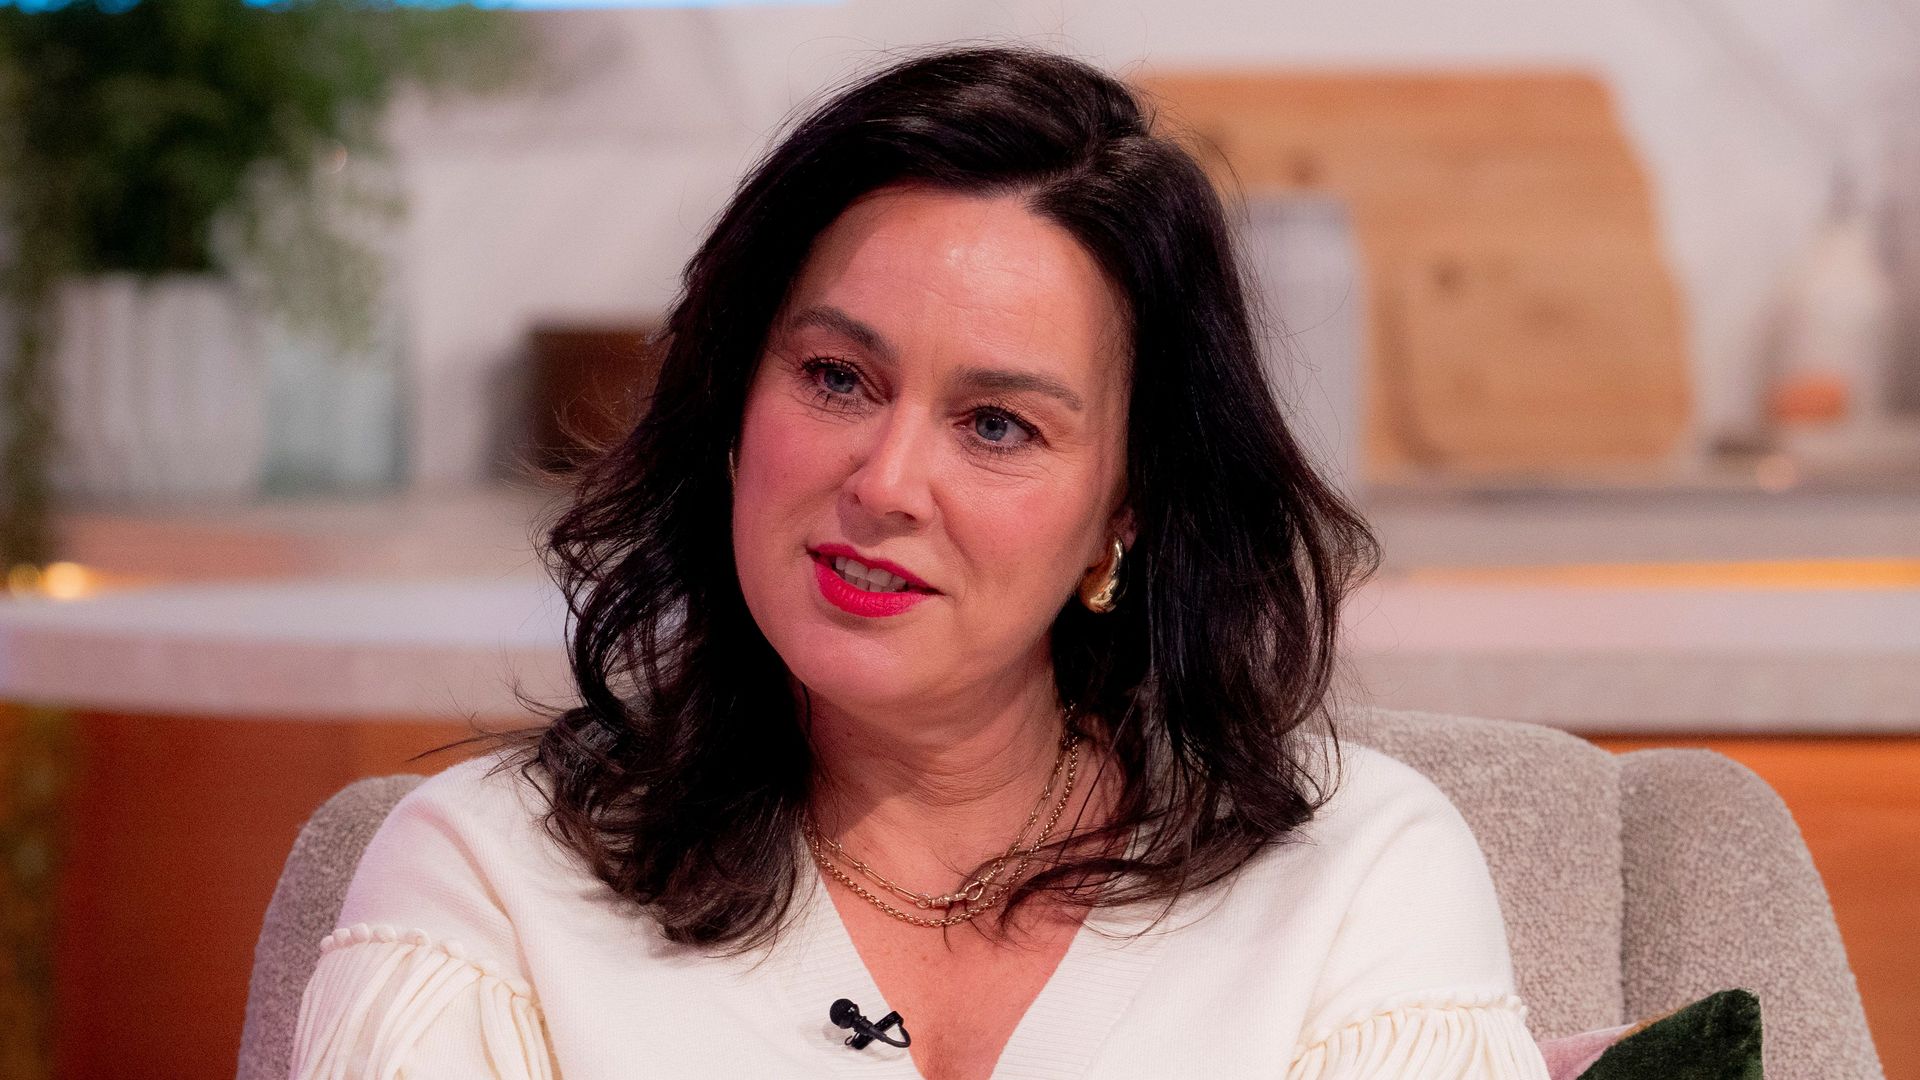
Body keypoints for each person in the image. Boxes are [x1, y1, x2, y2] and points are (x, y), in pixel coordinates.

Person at [290, 46, 1551, 1079]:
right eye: (837, 378)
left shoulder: (1354, 884)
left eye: (997, 425)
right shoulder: (486, 886)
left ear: (1129, 507)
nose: (885, 484)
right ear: (734, 401)